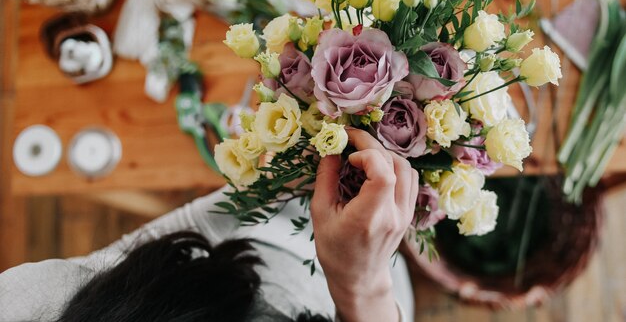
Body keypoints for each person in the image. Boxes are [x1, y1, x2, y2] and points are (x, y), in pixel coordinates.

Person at [0, 128, 418, 321]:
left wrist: (265, 190)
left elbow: (131, 261)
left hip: (273, 238)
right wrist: (361, 287)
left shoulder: (23, 305)